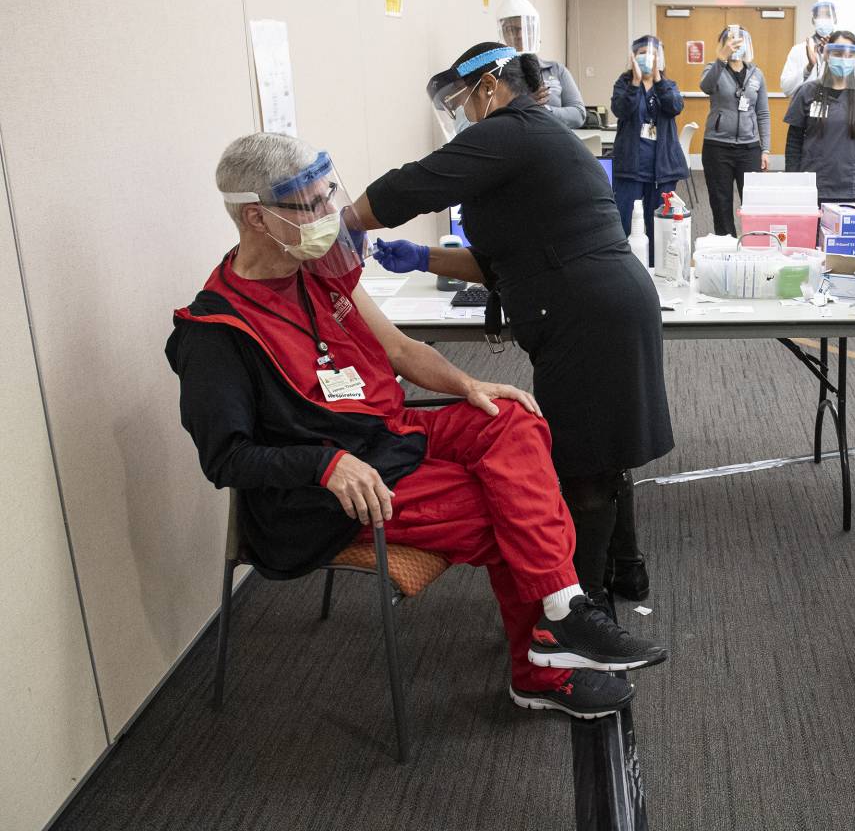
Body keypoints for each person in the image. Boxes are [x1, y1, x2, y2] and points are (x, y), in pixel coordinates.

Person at [168, 133, 668, 720]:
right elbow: (226, 459)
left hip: (391, 431)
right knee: (509, 508)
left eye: (332, 194)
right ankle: (542, 668)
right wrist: (323, 464)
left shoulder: (319, 269)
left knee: (511, 416)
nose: (334, 214)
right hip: (330, 491)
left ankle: (560, 611)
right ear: (257, 216)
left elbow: (401, 349)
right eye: (315, 204)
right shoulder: (215, 331)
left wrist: (468, 385)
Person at [352, 43, 672, 603]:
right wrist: (422, 257)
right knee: (604, 448)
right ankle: (626, 568)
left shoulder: (510, 129)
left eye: (462, 98)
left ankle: (587, 610)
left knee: (580, 468)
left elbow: (412, 185)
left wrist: (346, 219)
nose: (462, 112)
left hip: (587, 315)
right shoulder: (538, 135)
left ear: (491, 86)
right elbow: (508, 257)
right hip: (605, 303)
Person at [610, 35, 689, 264]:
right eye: (642, 53)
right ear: (633, 57)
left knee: (660, 225)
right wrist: (636, 83)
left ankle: (660, 269)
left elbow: (675, 106)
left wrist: (657, 80)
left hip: (661, 170)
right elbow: (621, 110)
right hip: (630, 168)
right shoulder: (624, 83)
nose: (647, 57)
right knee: (625, 223)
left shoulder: (668, 85)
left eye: (652, 53)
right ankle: (625, 270)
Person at [783, 32, 855, 207]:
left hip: (852, 185)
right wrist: (793, 180)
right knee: (809, 234)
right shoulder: (807, 91)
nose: (844, 59)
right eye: (838, 54)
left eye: (849, 55)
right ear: (827, 54)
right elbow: (794, 141)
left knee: (847, 235)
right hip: (813, 185)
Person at [699, 25, 771, 236]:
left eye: (740, 42)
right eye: (730, 41)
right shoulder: (713, 68)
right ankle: (726, 248)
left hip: (749, 148)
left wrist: (765, 149)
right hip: (717, 147)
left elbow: (763, 113)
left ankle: (754, 247)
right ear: (723, 44)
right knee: (721, 203)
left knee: (753, 204)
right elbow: (706, 86)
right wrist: (721, 59)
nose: (735, 46)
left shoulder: (757, 74)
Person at [496, 0, 586, 129]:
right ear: (503, 34)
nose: (520, 35)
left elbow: (578, 115)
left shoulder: (556, 70)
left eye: (525, 29)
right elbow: (492, 117)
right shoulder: (497, 75)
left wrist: (545, 110)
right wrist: (526, 105)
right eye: (511, 29)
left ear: (534, 31)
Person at [781, 1, 855, 96]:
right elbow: (786, 89)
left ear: (835, 19)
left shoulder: (847, 51)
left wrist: (833, 55)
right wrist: (808, 68)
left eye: (828, 15)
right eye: (820, 16)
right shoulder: (798, 50)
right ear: (813, 20)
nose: (824, 19)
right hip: (805, 108)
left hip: (837, 107)